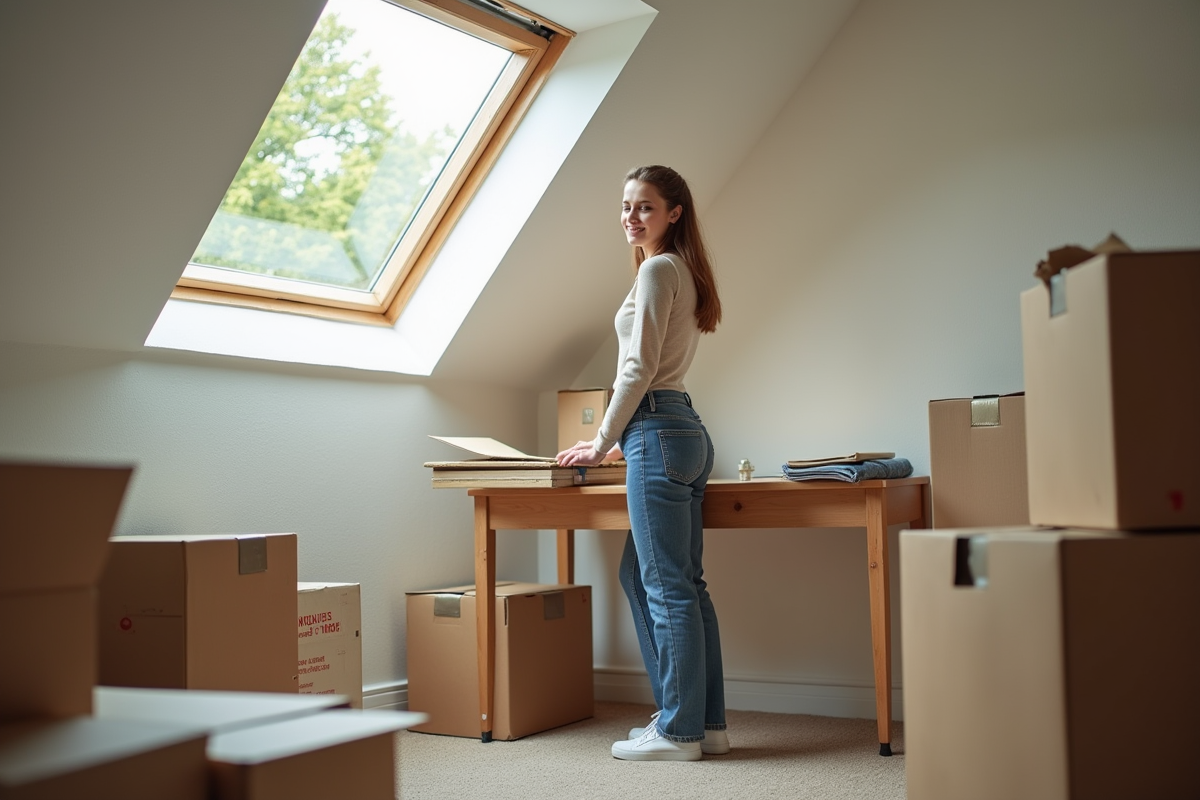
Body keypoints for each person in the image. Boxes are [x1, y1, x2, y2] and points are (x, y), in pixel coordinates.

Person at [557, 165, 727, 762]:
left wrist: (601, 439)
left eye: (646, 207)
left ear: (674, 213)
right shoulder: (679, 268)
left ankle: (679, 732)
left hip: (656, 428)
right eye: (627, 206)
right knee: (666, 580)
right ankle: (706, 724)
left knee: (666, 586)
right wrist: (618, 440)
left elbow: (639, 366)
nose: (632, 217)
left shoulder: (658, 269)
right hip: (679, 428)